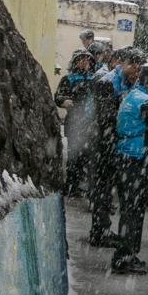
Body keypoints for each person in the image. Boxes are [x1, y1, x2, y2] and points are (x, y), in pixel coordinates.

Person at [111, 62, 148, 274]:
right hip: (137, 160)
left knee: (129, 210)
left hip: (125, 156)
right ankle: (126, 257)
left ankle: (124, 255)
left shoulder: (131, 97)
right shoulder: (147, 103)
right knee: (134, 212)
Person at [87, 47, 143, 247]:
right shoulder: (107, 82)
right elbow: (104, 116)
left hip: (116, 143)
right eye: (133, 65)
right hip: (103, 143)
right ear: (122, 63)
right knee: (102, 189)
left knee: (109, 190)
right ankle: (99, 232)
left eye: (139, 67)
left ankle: (104, 229)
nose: (136, 70)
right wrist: (124, 109)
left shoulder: (132, 84)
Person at [55, 50, 97, 197]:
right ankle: (71, 185)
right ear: (75, 62)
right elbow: (58, 96)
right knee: (74, 155)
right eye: (81, 60)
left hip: (90, 123)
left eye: (87, 60)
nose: (84, 62)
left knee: (86, 155)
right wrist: (63, 101)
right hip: (74, 122)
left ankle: (80, 184)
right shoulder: (69, 78)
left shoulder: (94, 78)